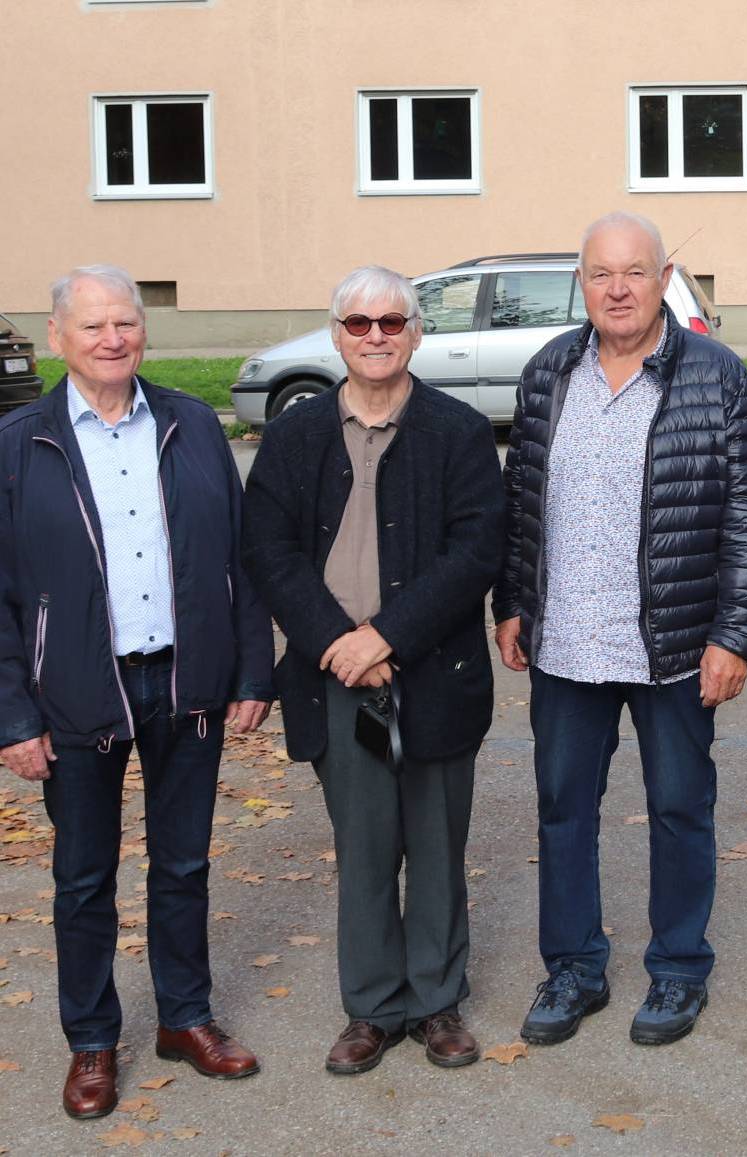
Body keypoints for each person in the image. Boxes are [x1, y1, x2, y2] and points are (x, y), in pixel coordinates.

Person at [0, 265, 273, 1118]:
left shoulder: (190, 423)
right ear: (57, 337)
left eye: (126, 323)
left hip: (185, 684)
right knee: (84, 877)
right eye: (93, 327)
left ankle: (184, 1018)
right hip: (76, 692)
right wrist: (12, 713)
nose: (113, 338)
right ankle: (91, 1041)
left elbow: (241, 558)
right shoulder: (19, 443)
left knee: (184, 864)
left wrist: (252, 669)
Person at [492, 212, 747, 1048]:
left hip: (677, 645)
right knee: (562, 809)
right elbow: (521, 502)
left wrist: (734, 634)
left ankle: (679, 967)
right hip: (567, 643)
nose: (617, 288)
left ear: (664, 278)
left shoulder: (716, 376)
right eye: (600, 273)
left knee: (681, 807)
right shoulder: (549, 372)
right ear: (581, 281)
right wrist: (513, 601)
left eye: (635, 272)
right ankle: (573, 965)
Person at [241, 266, 503, 1075]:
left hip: (433, 666)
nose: (377, 336)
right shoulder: (295, 435)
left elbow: (476, 552)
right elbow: (269, 550)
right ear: (337, 334)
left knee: (434, 842)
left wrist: (384, 635)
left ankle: (435, 1001)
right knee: (363, 844)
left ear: (416, 332)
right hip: (331, 672)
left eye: (393, 322)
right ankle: (372, 1007)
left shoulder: (456, 430)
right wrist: (334, 641)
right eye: (359, 324)